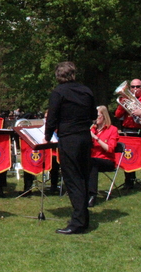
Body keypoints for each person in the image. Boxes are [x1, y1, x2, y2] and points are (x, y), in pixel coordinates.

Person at [44, 62, 96, 235]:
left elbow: (52, 117)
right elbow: (93, 116)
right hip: (85, 137)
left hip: (69, 138)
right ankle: (83, 218)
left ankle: (78, 222)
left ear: (58, 76)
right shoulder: (86, 90)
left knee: (73, 179)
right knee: (82, 177)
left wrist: (47, 136)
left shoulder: (59, 92)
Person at [88, 105, 119, 208]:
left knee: (92, 163)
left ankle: (92, 195)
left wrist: (96, 138)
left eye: (97, 116)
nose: (95, 119)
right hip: (93, 160)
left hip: (107, 161)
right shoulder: (93, 129)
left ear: (104, 116)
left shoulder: (112, 130)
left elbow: (110, 148)